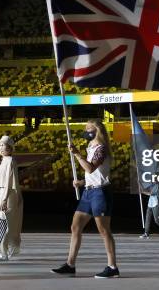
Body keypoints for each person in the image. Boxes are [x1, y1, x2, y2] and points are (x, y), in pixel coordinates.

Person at [51, 120, 119, 279]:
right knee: (75, 227)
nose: (85, 130)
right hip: (88, 192)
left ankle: (112, 266)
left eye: (88, 128)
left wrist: (76, 154)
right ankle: (70, 264)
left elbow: (90, 168)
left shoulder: (101, 149)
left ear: (97, 130)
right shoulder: (90, 148)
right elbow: (92, 174)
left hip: (101, 193)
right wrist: (82, 182)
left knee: (104, 230)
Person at [0, 136, 23, 262]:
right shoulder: (2, 161)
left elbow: (9, 181)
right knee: (1, 223)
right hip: (1, 194)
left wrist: (4, 198)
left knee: (5, 223)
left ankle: (2, 253)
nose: (1, 147)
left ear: (11, 148)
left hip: (7, 195)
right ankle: (2, 251)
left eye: (4, 145)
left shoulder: (10, 160)